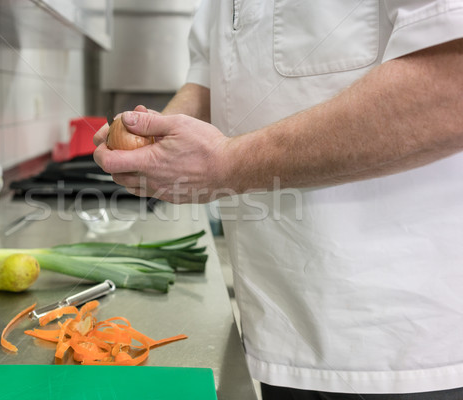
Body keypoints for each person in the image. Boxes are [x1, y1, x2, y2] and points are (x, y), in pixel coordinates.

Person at [94, 1, 463, 398]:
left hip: (397, 341)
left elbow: (451, 82)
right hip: (279, 329)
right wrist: (150, 141)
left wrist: (226, 164)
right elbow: (210, 81)